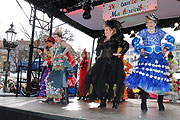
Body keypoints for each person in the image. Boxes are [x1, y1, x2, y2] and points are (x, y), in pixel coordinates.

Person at [124, 13, 175, 112]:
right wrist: (141, 48)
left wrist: (165, 48)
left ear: (155, 23)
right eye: (148, 22)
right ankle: (143, 103)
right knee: (144, 81)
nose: (150, 24)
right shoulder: (143, 32)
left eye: (151, 22)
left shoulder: (160, 32)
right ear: (146, 24)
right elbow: (135, 41)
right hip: (146, 58)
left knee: (160, 80)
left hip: (158, 59)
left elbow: (171, 39)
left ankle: (160, 103)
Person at [85, 19, 129, 109]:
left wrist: (120, 53)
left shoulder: (116, 38)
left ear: (112, 31)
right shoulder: (101, 39)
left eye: (107, 30)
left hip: (113, 63)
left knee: (116, 82)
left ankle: (116, 101)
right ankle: (103, 100)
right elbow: (98, 49)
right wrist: (98, 54)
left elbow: (126, 45)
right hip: (102, 63)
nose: (105, 31)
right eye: (105, 30)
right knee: (95, 80)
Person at [44, 29, 74, 104]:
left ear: (60, 37)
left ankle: (65, 99)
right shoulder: (55, 45)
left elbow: (69, 47)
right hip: (55, 65)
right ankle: (50, 96)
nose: (56, 39)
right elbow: (53, 54)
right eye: (55, 37)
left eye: (57, 37)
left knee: (63, 79)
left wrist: (62, 54)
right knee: (50, 78)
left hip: (61, 65)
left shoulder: (62, 43)